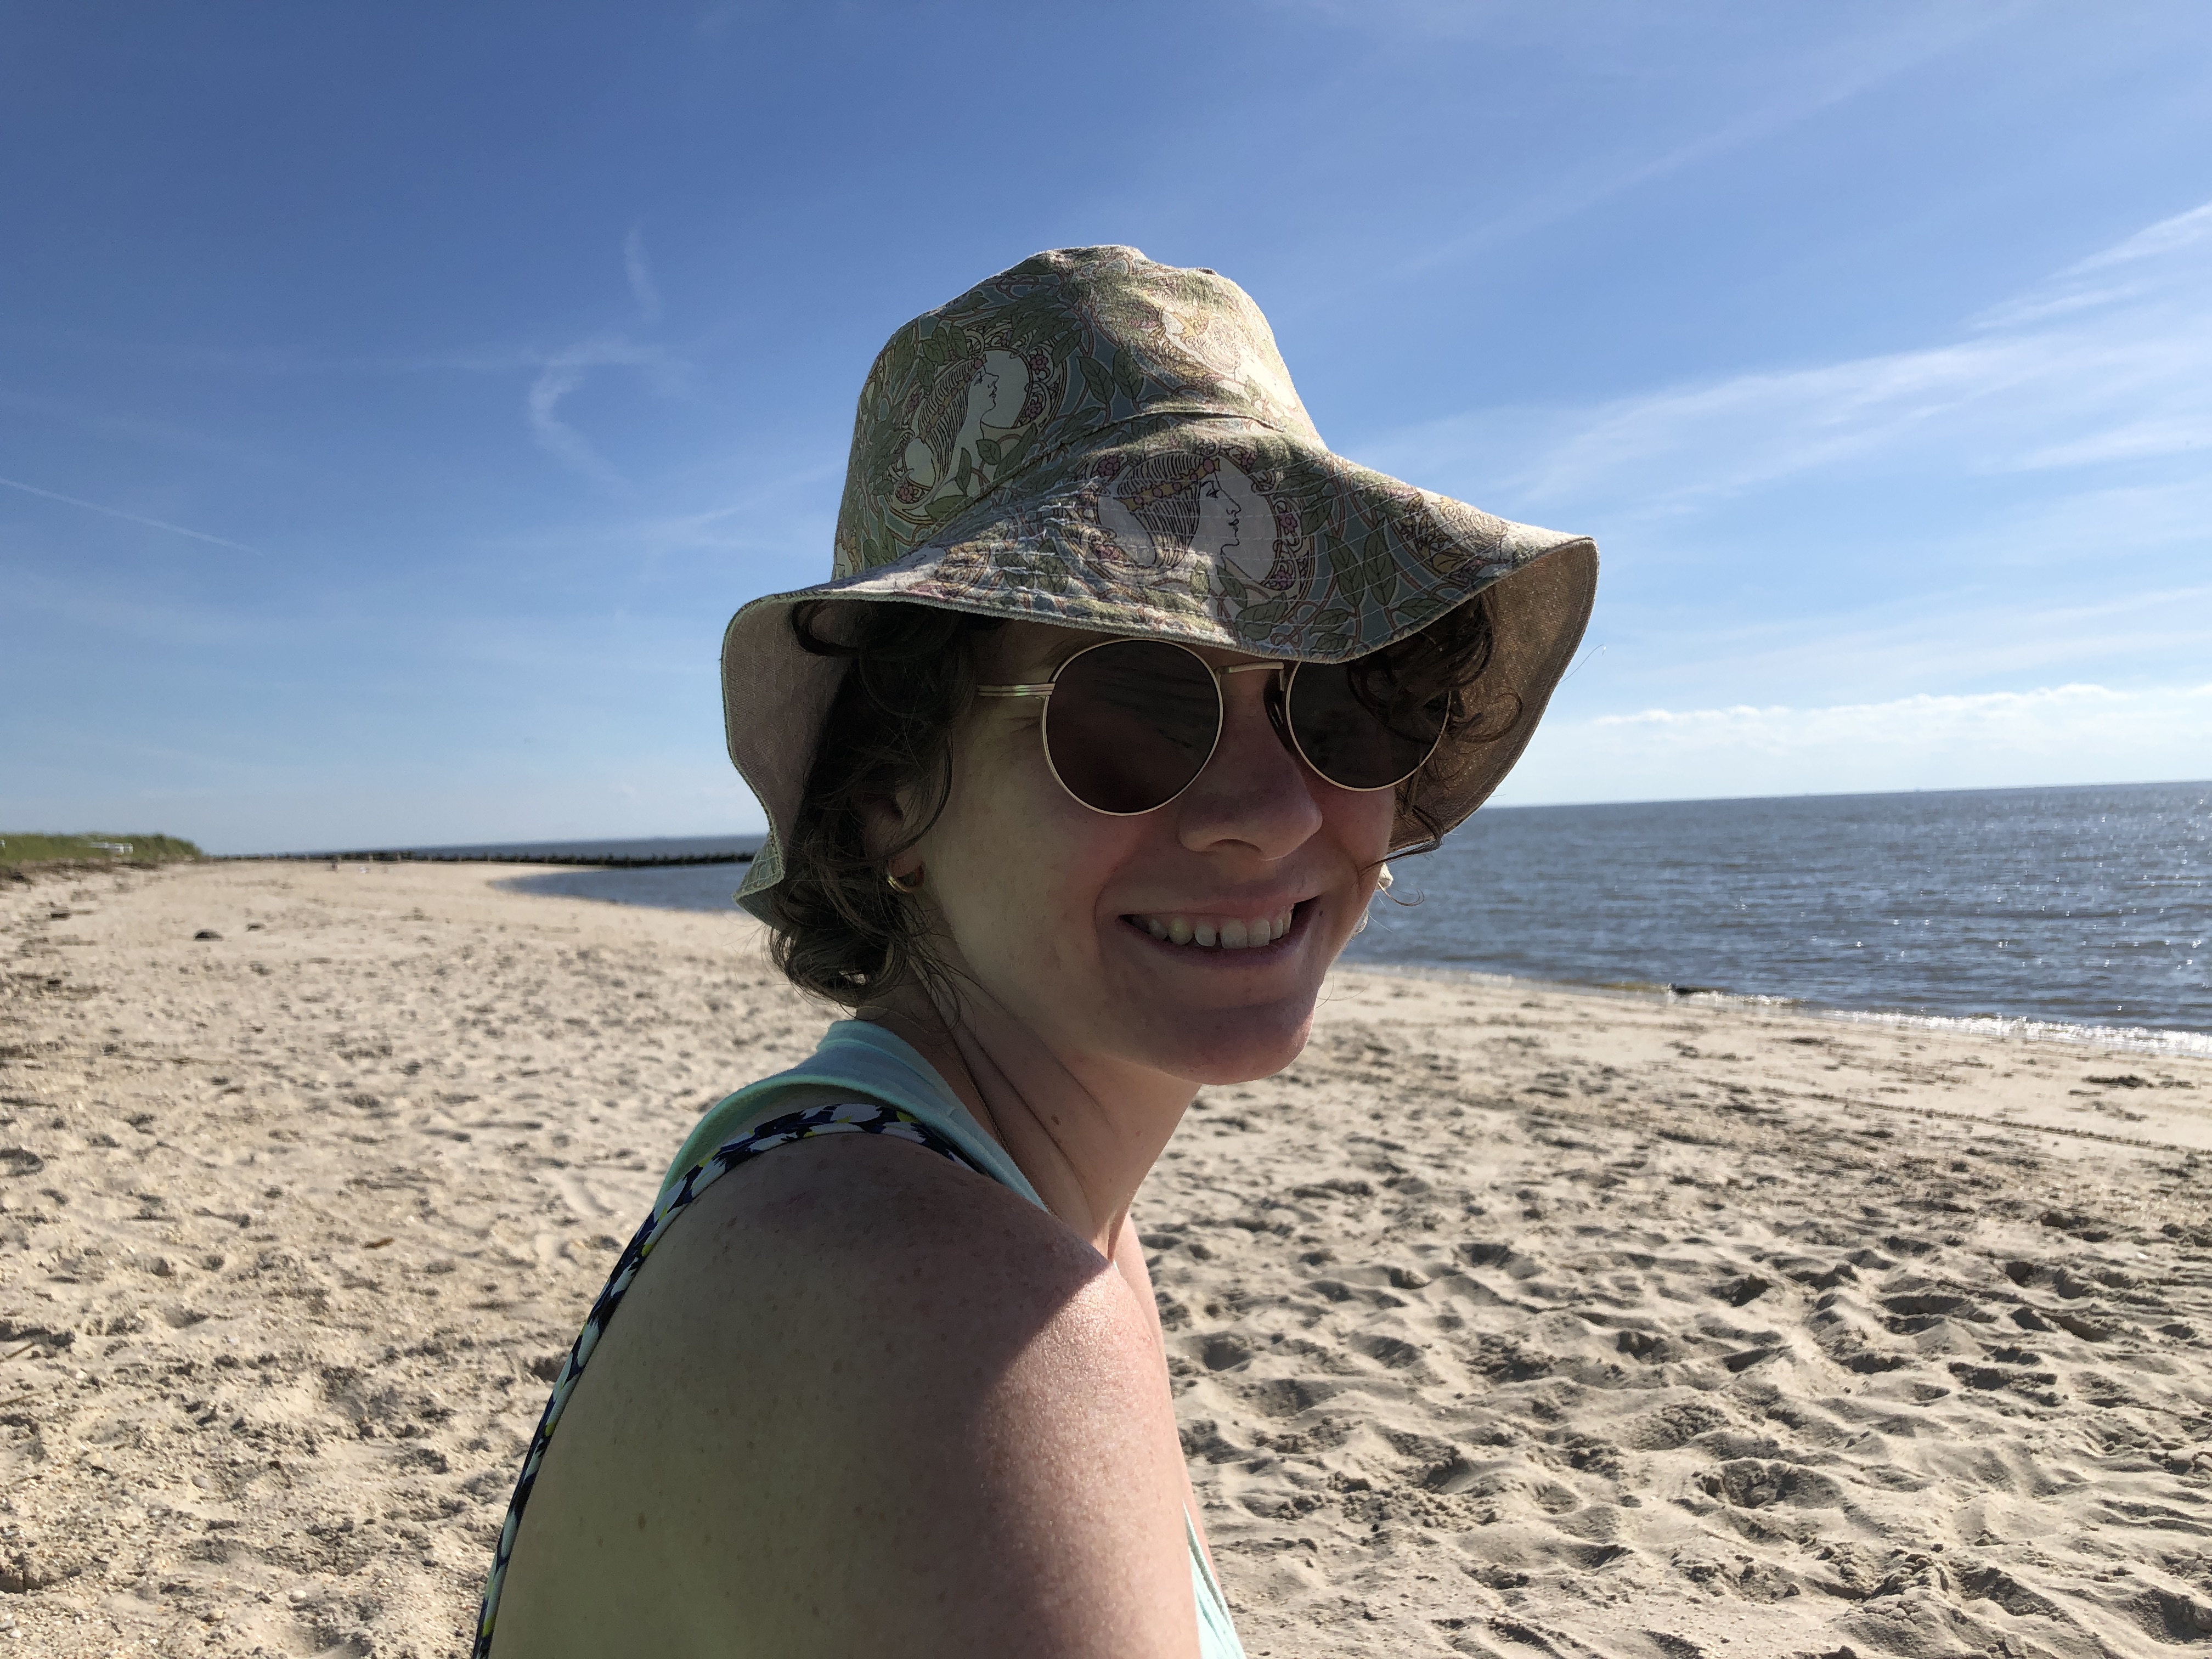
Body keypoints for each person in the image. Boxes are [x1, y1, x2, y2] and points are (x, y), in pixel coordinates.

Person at [475, 246, 1596, 1657]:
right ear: (891, 789)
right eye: (1131, 708)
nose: (1266, 814)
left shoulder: (996, 1218)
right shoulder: (936, 1312)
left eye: (1343, 702)